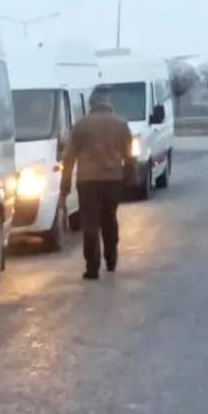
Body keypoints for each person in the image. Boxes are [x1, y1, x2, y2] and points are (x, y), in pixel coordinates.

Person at [60, 90, 134, 280]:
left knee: (90, 224)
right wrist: (129, 176)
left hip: (87, 181)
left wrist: (65, 184)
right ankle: (111, 259)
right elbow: (129, 154)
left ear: (91, 103)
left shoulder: (81, 125)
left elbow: (69, 157)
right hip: (113, 180)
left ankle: (92, 267)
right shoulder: (121, 124)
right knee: (109, 219)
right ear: (108, 102)